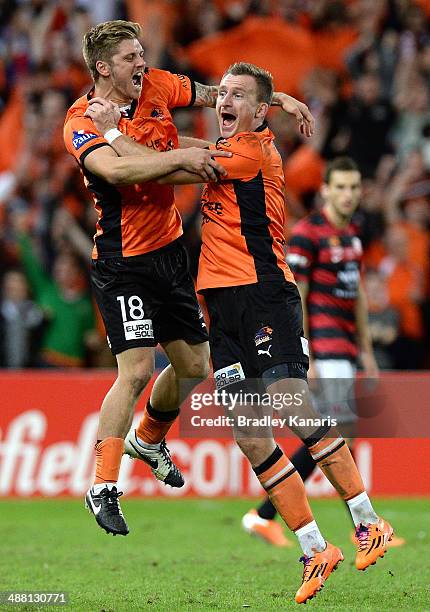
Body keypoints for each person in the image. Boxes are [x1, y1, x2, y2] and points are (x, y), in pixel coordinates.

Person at [63, 20, 314, 538]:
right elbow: (119, 172)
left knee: (194, 364)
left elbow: (212, 95)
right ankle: (104, 486)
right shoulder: (81, 120)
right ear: (104, 67)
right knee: (134, 371)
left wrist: (275, 97)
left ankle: (150, 438)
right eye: (131, 57)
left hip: (172, 253)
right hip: (123, 261)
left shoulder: (155, 84)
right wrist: (189, 158)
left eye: (142, 53)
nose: (142, 64)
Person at [190, 64, 393, 604]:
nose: (223, 101)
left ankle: (368, 520)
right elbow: (201, 139)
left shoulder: (252, 151)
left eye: (238, 96)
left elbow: (182, 162)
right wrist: (275, 96)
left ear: (260, 113)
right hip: (222, 307)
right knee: (250, 433)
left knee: (293, 406)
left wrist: (119, 139)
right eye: (221, 94)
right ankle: (313, 548)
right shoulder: (233, 137)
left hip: (263, 295)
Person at [241, 157, 405, 549]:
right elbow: (295, 295)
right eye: (341, 187)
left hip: (345, 348)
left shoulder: (353, 236)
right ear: (326, 190)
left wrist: (365, 351)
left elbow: (358, 295)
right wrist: (305, 353)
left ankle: (265, 515)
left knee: (337, 436)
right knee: (332, 435)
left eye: (354, 188)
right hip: (324, 348)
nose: (349, 195)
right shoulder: (308, 234)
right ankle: (359, 525)